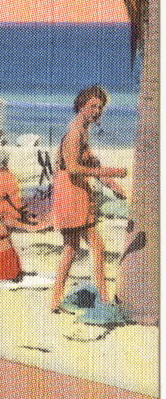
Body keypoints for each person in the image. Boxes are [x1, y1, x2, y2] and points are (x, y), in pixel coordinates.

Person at [50, 85, 128, 314]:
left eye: (100, 107)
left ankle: (58, 301)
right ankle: (102, 298)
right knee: (84, 247)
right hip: (70, 194)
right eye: (93, 106)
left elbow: (92, 165)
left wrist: (114, 186)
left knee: (74, 249)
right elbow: (73, 168)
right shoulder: (75, 131)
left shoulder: (83, 129)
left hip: (77, 193)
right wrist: (112, 173)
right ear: (82, 105)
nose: (97, 111)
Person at [0, 149, 44, 232]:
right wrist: (21, 212)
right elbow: (14, 198)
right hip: (4, 209)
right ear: (5, 161)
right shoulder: (8, 176)